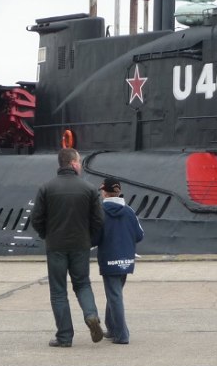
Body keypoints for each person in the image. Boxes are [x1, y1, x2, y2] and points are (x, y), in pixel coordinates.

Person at [31, 148, 105, 347]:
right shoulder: (89, 189)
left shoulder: (46, 188)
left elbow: (36, 218)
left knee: (58, 291)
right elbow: (98, 220)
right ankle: (91, 315)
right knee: (82, 284)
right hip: (80, 244)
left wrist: (46, 234)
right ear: (73, 163)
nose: (80, 165)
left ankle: (64, 337)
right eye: (79, 162)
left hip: (56, 245)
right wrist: (87, 237)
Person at [93, 177, 144, 345]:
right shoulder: (129, 211)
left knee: (114, 295)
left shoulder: (100, 211)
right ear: (119, 192)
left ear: (104, 192)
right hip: (126, 260)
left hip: (109, 259)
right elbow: (139, 235)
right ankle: (112, 328)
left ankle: (122, 334)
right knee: (114, 294)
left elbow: (94, 238)